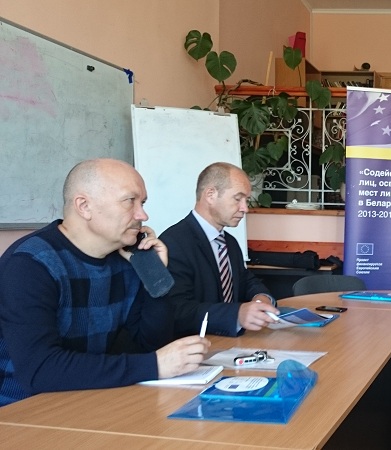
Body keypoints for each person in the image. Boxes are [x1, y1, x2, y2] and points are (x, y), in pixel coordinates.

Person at [0, 159, 210, 407]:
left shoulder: (124, 258)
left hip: (89, 398)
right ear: (84, 206)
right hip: (22, 408)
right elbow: (40, 370)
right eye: (129, 201)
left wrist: (155, 274)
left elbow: (151, 345)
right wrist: (154, 365)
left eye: (142, 203)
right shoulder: (30, 264)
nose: (143, 215)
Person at [161, 162, 280, 338]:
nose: (245, 208)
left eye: (246, 200)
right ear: (210, 195)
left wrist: (261, 297)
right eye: (238, 199)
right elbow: (178, 310)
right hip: (193, 345)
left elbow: (246, 281)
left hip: (230, 342)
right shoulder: (173, 243)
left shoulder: (229, 242)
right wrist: (236, 315)